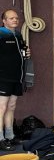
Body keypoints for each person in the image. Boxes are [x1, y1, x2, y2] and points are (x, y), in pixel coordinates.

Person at [0, 9, 30, 151]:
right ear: (4, 21)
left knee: (11, 106)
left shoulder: (18, 35)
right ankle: (0, 139)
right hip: (3, 77)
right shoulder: (1, 34)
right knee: (1, 108)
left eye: (16, 18)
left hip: (17, 76)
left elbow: (21, 52)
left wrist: (26, 53)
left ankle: (10, 136)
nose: (15, 20)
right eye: (11, 18)